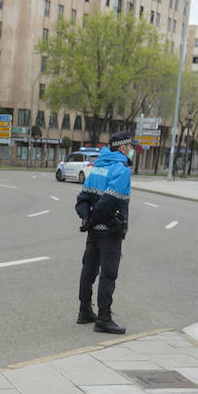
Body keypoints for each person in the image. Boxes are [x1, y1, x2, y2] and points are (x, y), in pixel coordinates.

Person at [74, 130, 134, 334]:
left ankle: (84, 311)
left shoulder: (97, 167)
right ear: (123, 147)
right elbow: (109, 201)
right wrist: (98, 218)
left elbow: (82, 199)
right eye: (131, 147)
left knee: (89, 270)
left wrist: (86, 218)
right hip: (111, 231)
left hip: (93, 231)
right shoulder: (121, 169)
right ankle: (103, 318)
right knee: (109, 274)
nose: (132, 150)